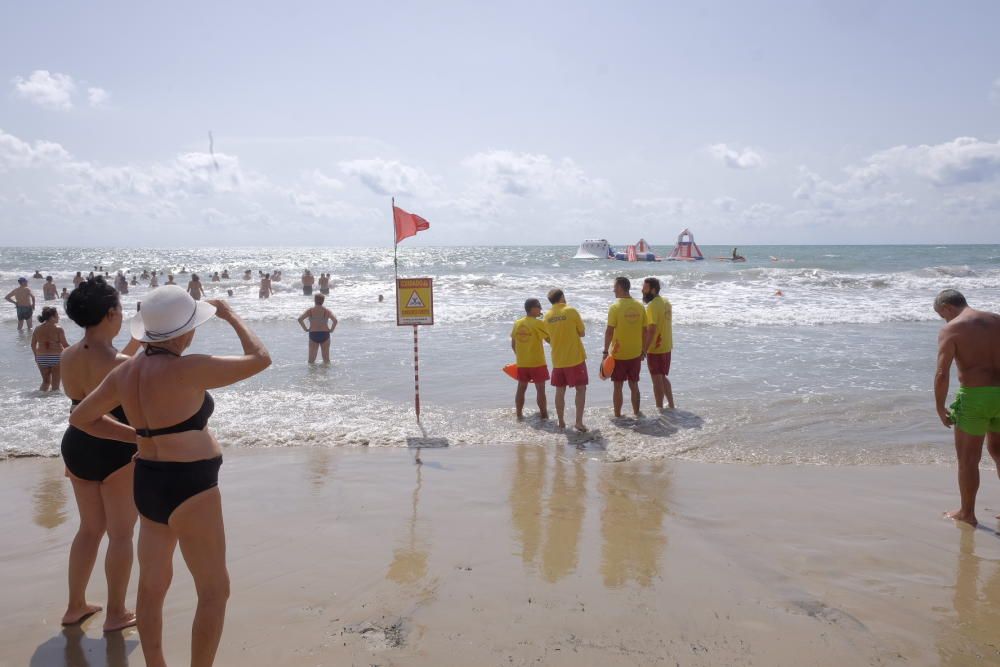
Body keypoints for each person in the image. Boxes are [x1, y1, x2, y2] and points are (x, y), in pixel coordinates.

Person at [69, 286, 270, 667]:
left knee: (152, 585)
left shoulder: (125, 370)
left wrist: (139, 435)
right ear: (183, 331)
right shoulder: (189, 367)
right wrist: (229, 315)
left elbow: (80, 418)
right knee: (214, 589)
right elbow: (260, 358)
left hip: (147, 480)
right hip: (191, 485)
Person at [60, 277, 141, 632]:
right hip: (116, 447)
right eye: (120, 310)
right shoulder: (122, 362)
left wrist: (137, 338)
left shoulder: (68, 355)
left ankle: (75, 605)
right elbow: (118, 370)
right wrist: (140, 438)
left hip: (77, 445)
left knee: (90, 529)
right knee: (121, 534)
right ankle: (116, 612)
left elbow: (101, 375)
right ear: (110, 313)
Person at [933, 289, 1000, 527]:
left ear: (947, 308)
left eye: (943, 316)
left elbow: (942, 373)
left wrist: (940, 407)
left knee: (968, 458)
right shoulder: (996, 319)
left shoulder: (953, 329)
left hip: (975, 398)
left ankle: (967, 513)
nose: (945, 320)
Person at [604, 277, 651, 418]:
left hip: (618, 354)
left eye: (614, 286)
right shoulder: (639, 306)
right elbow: (645, 331)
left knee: (618, 386)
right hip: (635, 353)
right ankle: (637, 413)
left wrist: (605, 352)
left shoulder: (615, 307)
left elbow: (609, 331)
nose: (613, 289)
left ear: (620, 287)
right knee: (634, 384)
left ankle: (618, 415)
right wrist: (643, 350)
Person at [543, 288, 587, 431]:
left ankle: (561, 421)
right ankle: (578, 422)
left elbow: (546, 337)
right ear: (562, 297)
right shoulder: (571, 311)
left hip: (558, 359)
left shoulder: (547, 316)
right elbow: (582, 332)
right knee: (580, 389)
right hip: (575, 358)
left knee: (559, 391)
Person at [511, 298, 549, 420]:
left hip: (522, 363)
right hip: (537, 362)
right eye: (539, 306)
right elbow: (549, 340)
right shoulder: (538, 323)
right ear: (532, 308)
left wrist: (521, 356)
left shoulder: (517, 323)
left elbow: (513, 344)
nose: (541, 309)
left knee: (521, 388)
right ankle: (544, 415)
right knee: (540, 390)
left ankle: (519, 414)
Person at [642, 277, 675, 410]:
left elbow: (652, 330)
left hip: (656, 348)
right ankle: (671, 405)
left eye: (645, 288)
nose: (642, 291)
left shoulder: (652, 306)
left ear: (653, 290)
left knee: (656, 380)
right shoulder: (666, 302)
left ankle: (659, 408)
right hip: (667, 345)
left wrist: (644, 349)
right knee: (662, 377)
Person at [31, 307, 69, 391]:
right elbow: (65, 345)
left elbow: (33, 344)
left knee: (46, 382)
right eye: (57, 315)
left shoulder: (37, 329)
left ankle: (40, 401)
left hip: (41, 358)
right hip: (56, 358)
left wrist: (36, 356)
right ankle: (52, 403)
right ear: (52, 317)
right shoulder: (58, 329)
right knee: (55, 386)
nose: (59, 317)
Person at [297, 293, 338, 363]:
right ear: (323, 301)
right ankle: (325, 373)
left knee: (311, 360)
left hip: (313, 334)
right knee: (326, 360)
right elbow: (335, 320)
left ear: (315, 300)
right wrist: (331, 330)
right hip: (325, 334)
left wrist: (305, 329)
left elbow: (300, 319)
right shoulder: (326, 311)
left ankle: (312, 374)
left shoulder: (310, 311)